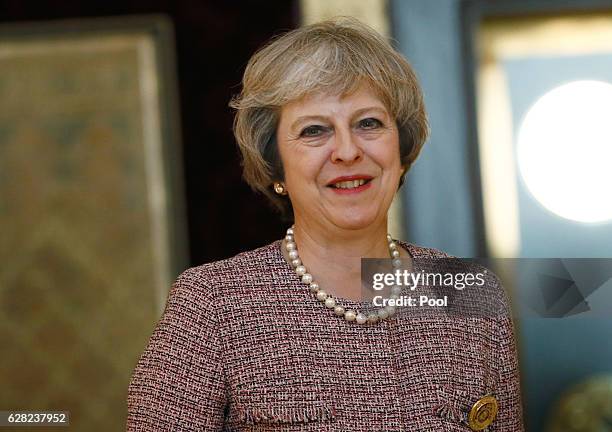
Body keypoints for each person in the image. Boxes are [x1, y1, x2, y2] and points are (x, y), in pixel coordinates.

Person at [126, 17, 524, 431]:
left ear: (401, 149)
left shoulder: (468, 295)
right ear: (275, 164)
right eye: (315, 131)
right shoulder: (212, 306)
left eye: (368, 123)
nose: (348, 151)